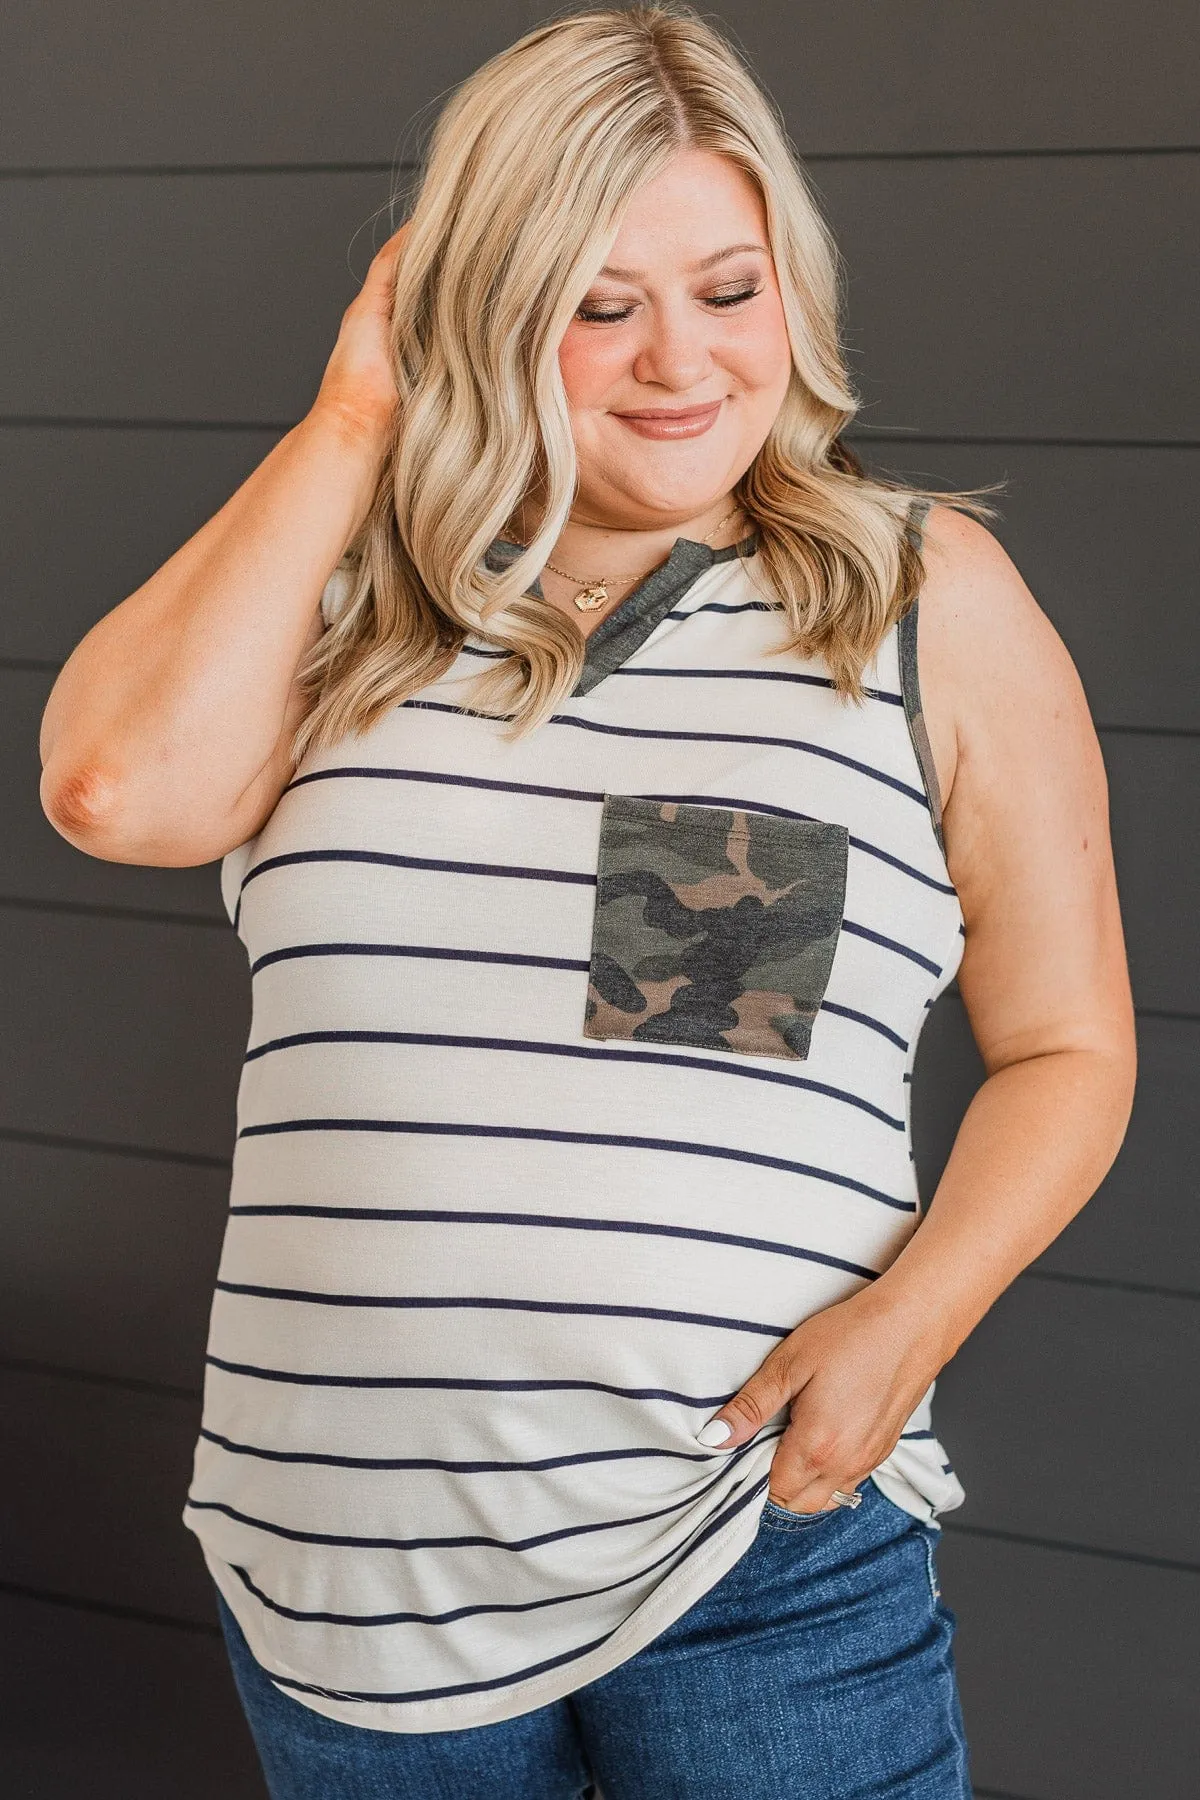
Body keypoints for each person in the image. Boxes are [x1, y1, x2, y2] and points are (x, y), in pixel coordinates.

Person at [38, 6, 1136, 1796]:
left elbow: (1073, 1046)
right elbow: (111, 792)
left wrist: (906, 1327)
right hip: (336, 1580)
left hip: (746, 1546)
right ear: (480, 307)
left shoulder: (920, 598)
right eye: (596, 303)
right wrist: (353, 414)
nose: (677, 362)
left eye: (729, 287)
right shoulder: (340, 615)